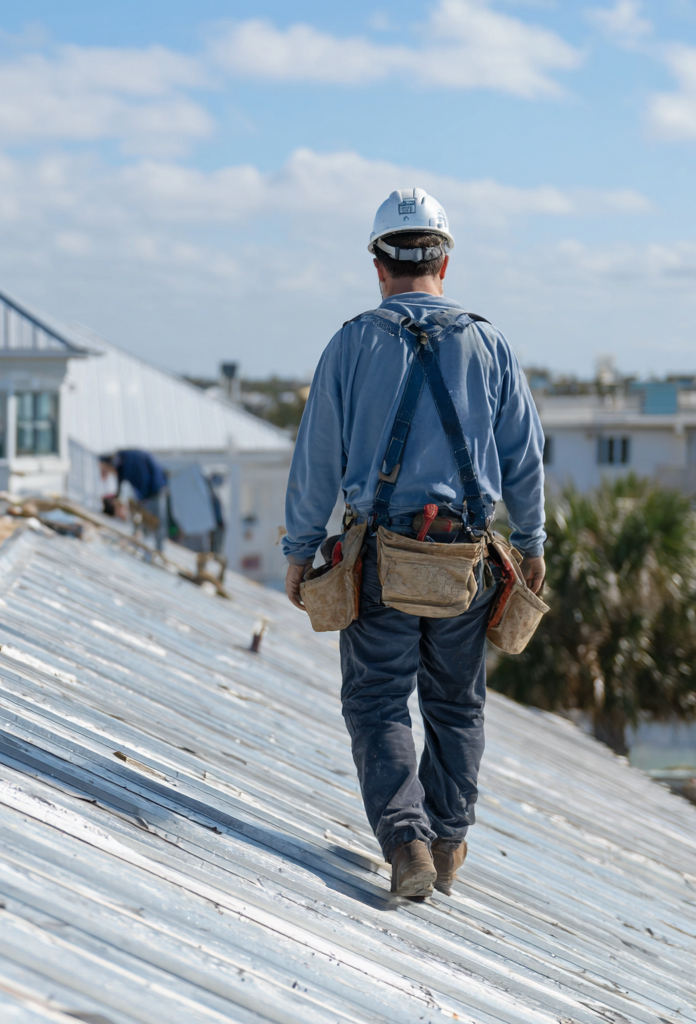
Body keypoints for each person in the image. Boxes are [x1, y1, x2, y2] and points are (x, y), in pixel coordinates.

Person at [283, 188, 546, 898]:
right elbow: (524, 459)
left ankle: (408, 846)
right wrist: (532, 542)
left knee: (375, 703)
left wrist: (299, 550)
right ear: (445, 261)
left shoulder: (350, 343)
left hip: (378, 559)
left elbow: (316, 459)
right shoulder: (489, 344)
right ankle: (449, 842)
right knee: (456, 705)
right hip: (466, 562)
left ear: (378, 264)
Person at [99, 449, 169, 552]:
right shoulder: (121, 463)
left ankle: (159, 551)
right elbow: (120, 482)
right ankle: (142, 545)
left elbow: (143, 479)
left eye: (105, 469)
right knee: (142, 519)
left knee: (156, 522)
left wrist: (141, 499)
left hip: (155, 489)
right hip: (146, 492)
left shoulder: (130, 461)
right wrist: (116, 497)